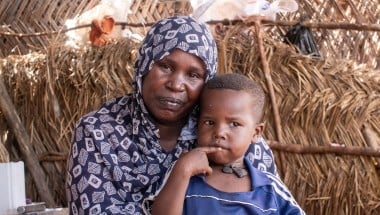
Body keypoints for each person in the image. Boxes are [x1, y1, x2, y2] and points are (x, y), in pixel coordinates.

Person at [66, 16, 278, 215]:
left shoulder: (234, 141)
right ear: (144, 65)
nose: (176, 85)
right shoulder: (98, 133)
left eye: (193, 75)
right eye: (165, 66)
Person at [150, 73, 305, 215]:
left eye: (234, 124)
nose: (219, 132)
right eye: (209, 122)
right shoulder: (185, 175)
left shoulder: (270, 188)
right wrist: (182, 170)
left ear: (256, 132)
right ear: (197, 125)